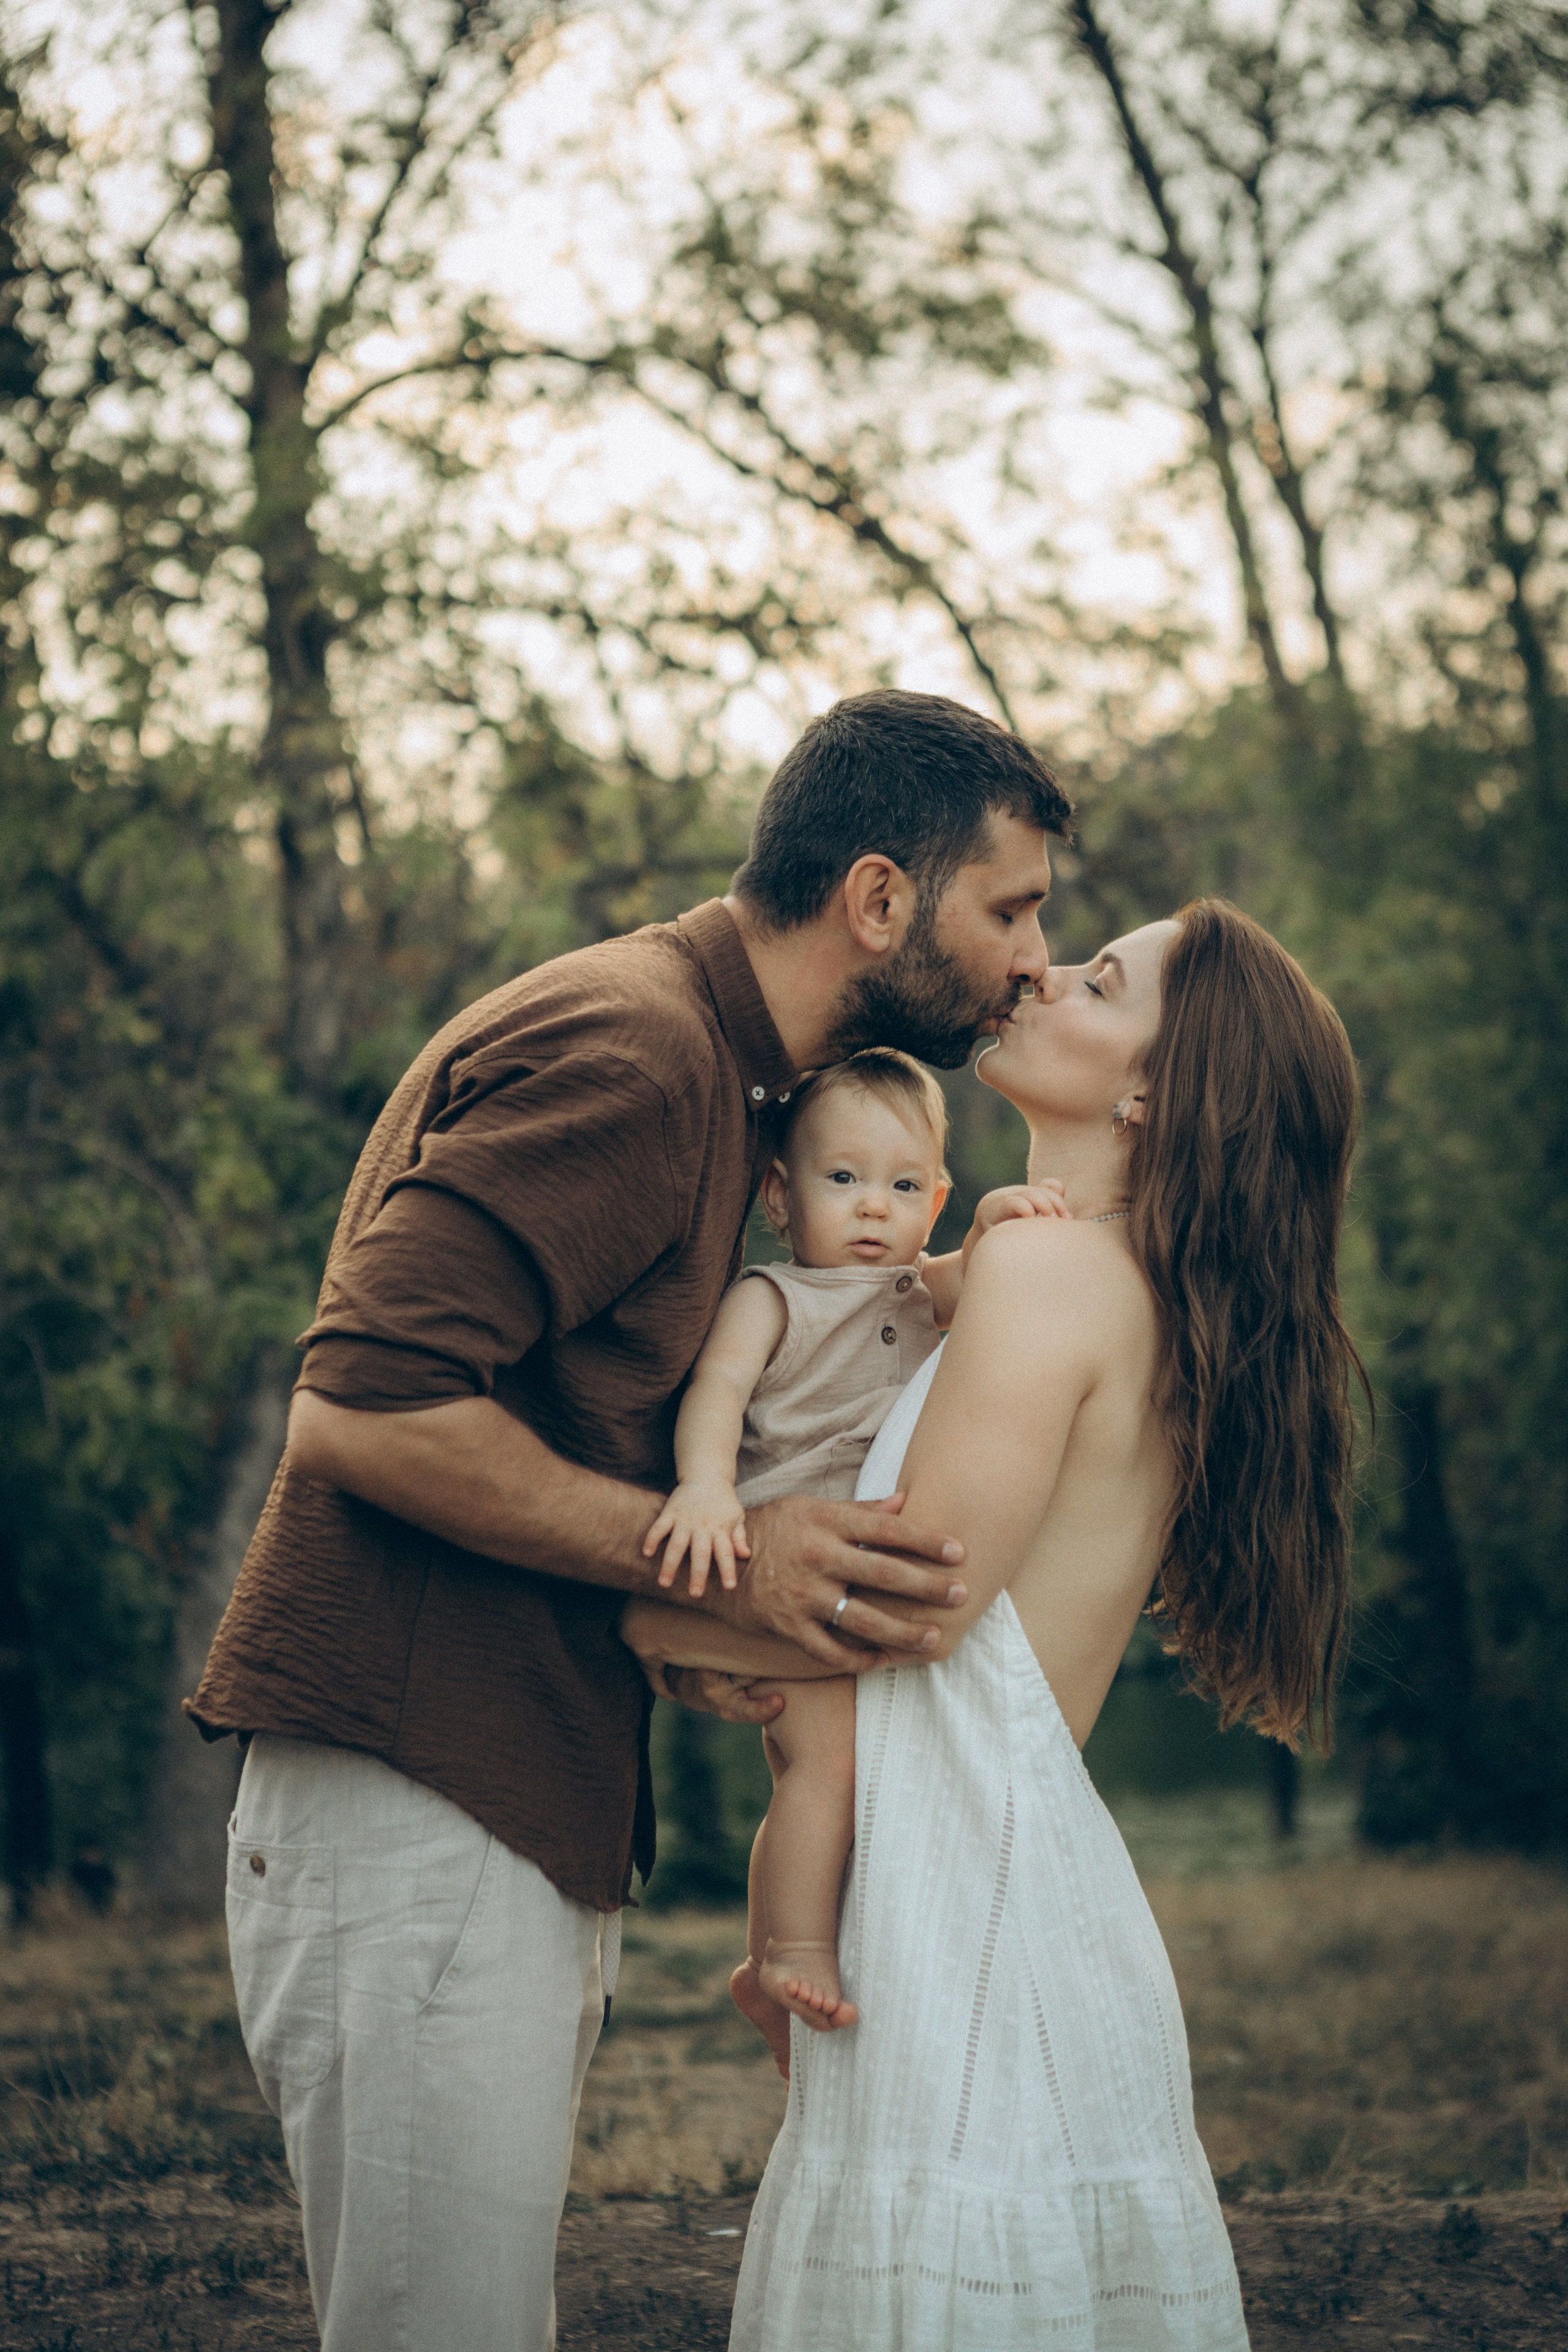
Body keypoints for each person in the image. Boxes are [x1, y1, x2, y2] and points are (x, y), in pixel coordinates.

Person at [186, 687, 1071, 2352]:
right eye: (1010, 909)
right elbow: (360, 1405)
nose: (1033, 958)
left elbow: (542, 1407)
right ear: (880, 900)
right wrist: (707, 1543)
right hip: (416, 1788)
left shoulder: (724, 1079)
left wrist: (670, 1612)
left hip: (481, 1788)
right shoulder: (643, 1051)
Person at [623, 897, 1363, 2349]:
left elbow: (913, 1603)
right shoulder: (1110, 1284)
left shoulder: (1040, 1275)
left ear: (1152, 1090)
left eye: (1096, 979)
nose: (1037, 968)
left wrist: (646, 1624)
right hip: (1018, 1887)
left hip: (952, 1905)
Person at [644, 1048, 1064, 2061]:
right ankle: (787, 1953)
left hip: (842, 1580)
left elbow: (977, 1279)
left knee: (852, 1784)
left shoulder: (919, 1287)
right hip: (772, 1576)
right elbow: (717, 1395)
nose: (874, 1208)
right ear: (780, 1196)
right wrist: (703, 1486)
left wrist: (1002, 1223)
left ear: (935, 1201)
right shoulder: (774, 1295)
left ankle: (778, 1975)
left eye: (904, 1185)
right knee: (824, 1770)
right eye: (843, 1179)